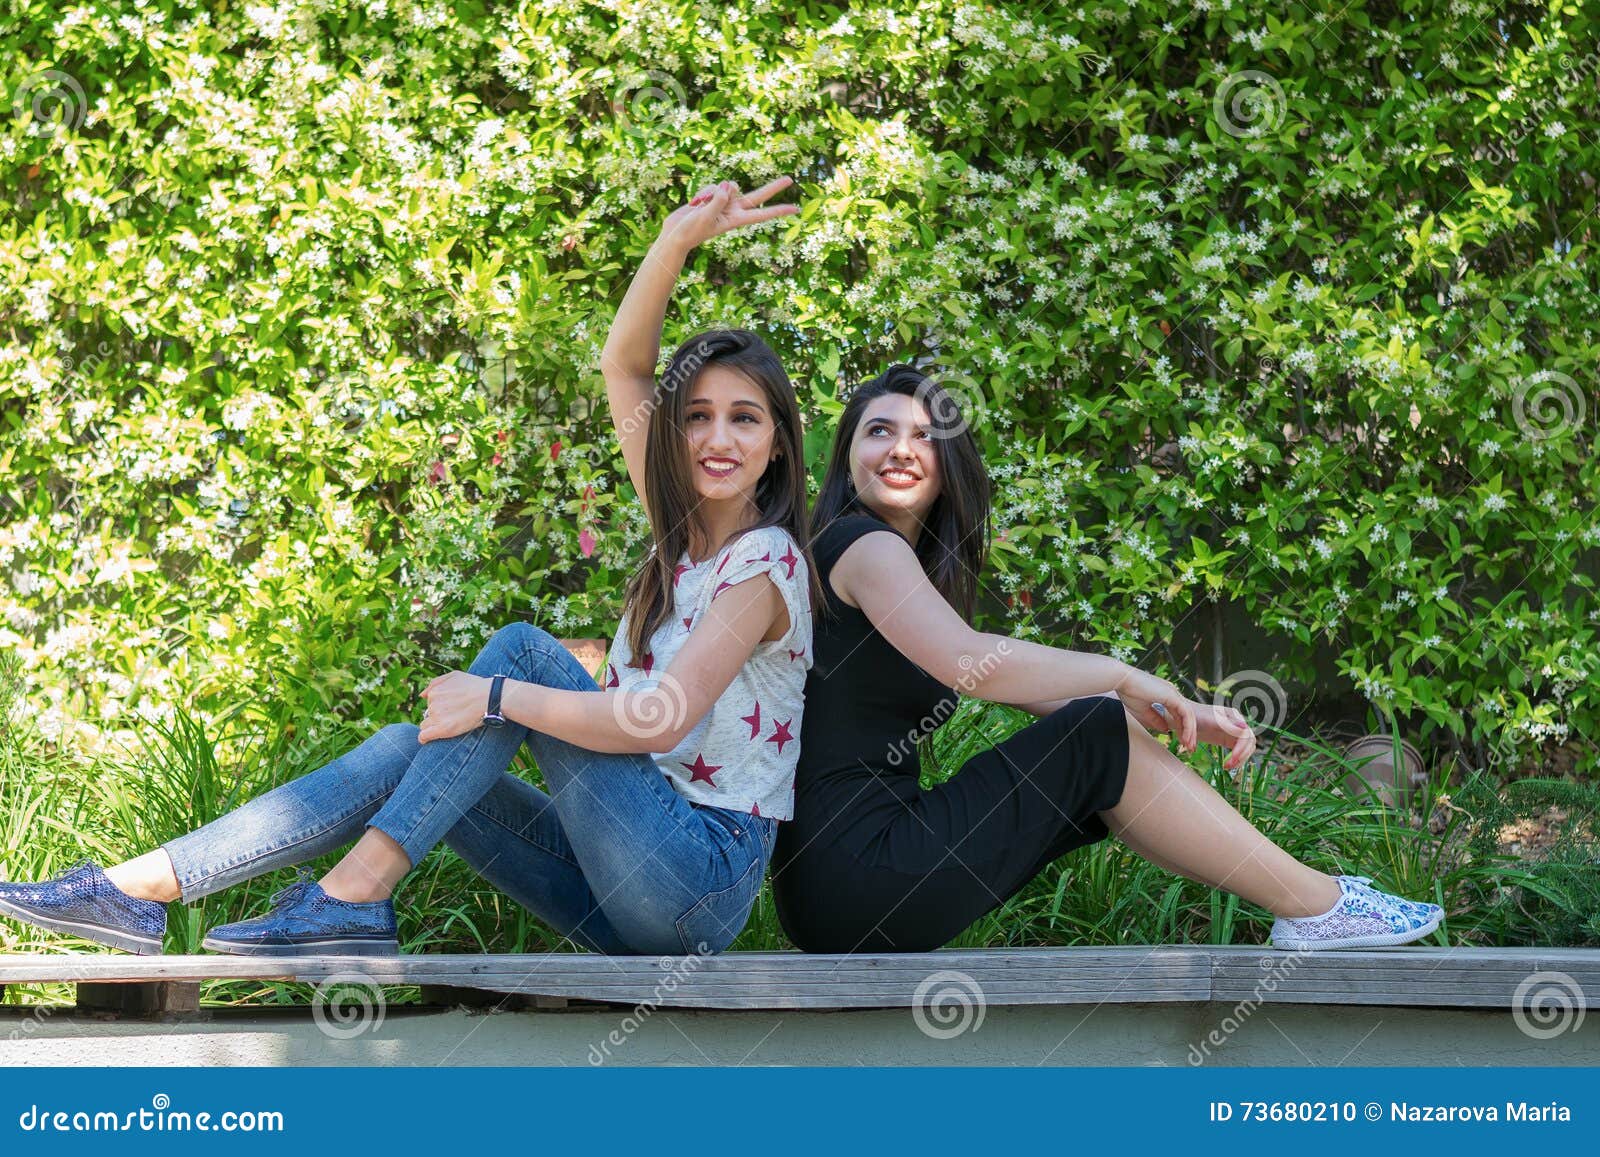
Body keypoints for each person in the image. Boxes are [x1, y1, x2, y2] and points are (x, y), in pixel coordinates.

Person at [0, 179, 812, 959]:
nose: (717, 438)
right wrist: (675, 239)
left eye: (745, 419)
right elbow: (626, 370)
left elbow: (663, 721)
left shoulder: (766, 559)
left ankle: (352, 898)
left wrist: (497, 696)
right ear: (671, 433)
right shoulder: (677, 540)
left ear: (778, 442)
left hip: (694, 881)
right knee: (406, 745)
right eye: (697, 416)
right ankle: (138, 887)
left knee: (521, 657)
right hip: (615, 887)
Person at [770, 365, 1445, 953]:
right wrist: (1122, 676)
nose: (901, 449)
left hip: (838, 884)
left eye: (924, 436)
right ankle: (1317, 904)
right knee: (1097, 733)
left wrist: (1165, 711)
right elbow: (967, 660)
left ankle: (1311, 904)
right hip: (858, 866)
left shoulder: (893, 566)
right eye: (879, 431)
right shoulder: (864, 545)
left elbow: (1023, 689)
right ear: (848, 457)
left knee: (1101, 739)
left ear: (952, 464)